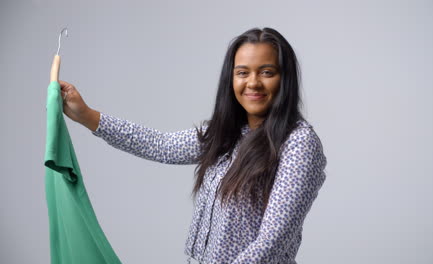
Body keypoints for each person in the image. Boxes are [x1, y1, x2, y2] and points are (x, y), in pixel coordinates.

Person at [58, 27, 327, 264]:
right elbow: (161, 145)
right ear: (231, 79)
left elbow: (273, 240)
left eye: (267, 72)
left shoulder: (299, 144)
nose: (253, 82)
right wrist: (87, 115)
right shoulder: (227, 133)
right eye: (242, 72)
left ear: (285, 79)